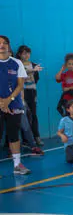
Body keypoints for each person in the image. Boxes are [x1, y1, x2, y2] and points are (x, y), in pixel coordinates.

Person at [0, 36, 31, 175]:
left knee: (14, 134)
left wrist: (9, 99)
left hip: (14, 104)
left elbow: (20, 85)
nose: (2, 45)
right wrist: (1, 102)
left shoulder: (17, 63)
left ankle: (17, 164)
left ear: (9, 46)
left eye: (5, 43)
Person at [15, 45, 43, 146]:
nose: (26, 55)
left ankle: (37, 137)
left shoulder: (34, 64)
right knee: (23, 115)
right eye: (24, 53)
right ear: (19, 54)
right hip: (21, 92)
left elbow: (36, 79)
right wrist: (32, 71)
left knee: (33, 114)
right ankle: (25, 140)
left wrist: (34, 71)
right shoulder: (17, 64)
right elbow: (19, 76)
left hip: (31, 91)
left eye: (28, 53)